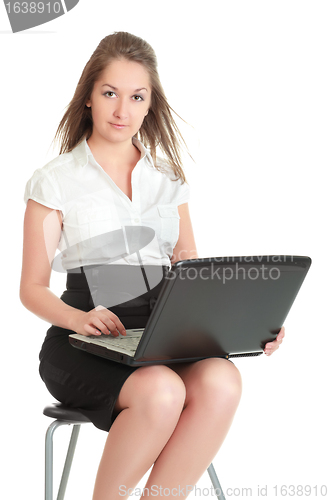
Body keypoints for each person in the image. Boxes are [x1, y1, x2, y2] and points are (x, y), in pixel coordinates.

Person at [20, 32, 285, 500]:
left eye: (136, 97)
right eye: (110, 94)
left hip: (161, 338)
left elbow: (190, 270)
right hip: (85, 340)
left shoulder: (167, 179)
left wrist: (250, 324)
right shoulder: (55, 181)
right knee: (161, 389)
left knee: (222, 378)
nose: (122, 110)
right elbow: (33, 288)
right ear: (88, 98)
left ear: (149, 105)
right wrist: (79, 318)